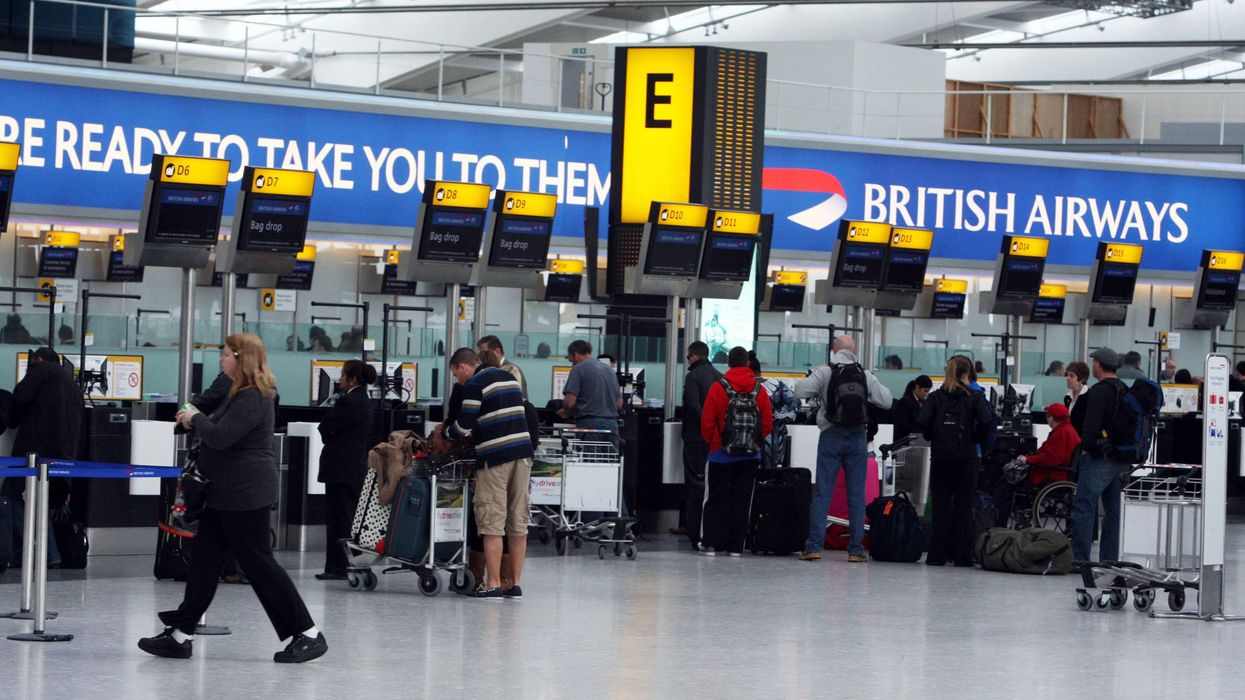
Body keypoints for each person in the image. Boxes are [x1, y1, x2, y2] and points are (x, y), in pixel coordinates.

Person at [139, 333, 327, 663]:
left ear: (242, 358)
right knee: (204, 563)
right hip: (224, 493)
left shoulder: (254, 396)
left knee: (259, 564)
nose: (221, 360)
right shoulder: (237, 393)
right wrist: (194, 420)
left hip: (245, 493)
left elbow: (221, 437)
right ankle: (180, 635)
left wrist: (194, 418)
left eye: (225, 354)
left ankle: (308, 633)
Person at [441, 348, 532, 600]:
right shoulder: (509, 378)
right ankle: (514, 583)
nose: (458, 380)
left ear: (462, 367)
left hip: (496, 457)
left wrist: (448, 434)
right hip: (523, 456)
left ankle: (492, 584)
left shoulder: (475, 383)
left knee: (491, 521)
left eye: (455, 374)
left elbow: (464, 424)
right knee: (517, 521)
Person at [795, 335, 893, 563]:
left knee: (822, 493)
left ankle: (814, 547)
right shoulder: (864, 374)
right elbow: (887, 401)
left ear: (834, 350)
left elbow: (799, 392)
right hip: (858, 436)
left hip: (831, 434)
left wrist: (815, 376)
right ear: (854, 350)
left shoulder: (826, 372)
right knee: (857, 495)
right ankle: (856, 550)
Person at [3, 347, 83, 566]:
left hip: (36, 450)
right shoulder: (71, 383)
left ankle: (28, 550)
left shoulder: (40, 370)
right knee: (42, 501)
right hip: (63, 454)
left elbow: (20, 399)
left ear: (37, 359)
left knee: (10, 495)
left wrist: (11, 420)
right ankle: (50, 554)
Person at [917, 356, 996, 567]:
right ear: (967, 372)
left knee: (940, 507)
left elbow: (922, 420)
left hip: (941, 457)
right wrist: (977, 438)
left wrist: (933, 435)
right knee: (964, 505)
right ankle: (962, 556)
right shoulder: (975, 396)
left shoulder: (936, 397)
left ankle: (936, 555)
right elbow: (988, 420)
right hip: (966, 458)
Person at [699, 346, 772, 556]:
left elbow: (707, 422)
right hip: (750, 455)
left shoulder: (718, 387)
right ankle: (736, 546)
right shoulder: (760, 390)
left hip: (720, 454)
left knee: (714, 497)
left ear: (728, 363)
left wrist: (714, 442)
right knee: (742, 499)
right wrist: (754, 442)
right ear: (748, 363)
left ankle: (711, 543)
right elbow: (766, 423)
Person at [315, 360, 377, 581]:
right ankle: (347, 563)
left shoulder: (348, 402)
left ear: (351, 379)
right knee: (348, 517)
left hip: (340, 467)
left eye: (342, 375)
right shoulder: (364, 401)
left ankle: (338, 566)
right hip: (353, 466)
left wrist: (330, 434)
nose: (339, 379)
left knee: (338, 519)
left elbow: (325, 426)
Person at [1069, 347, 1131, 564]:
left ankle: (1080, 559)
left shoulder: (1099, 391)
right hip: (1122, 458)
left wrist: (1088, 448)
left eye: (1094, 361)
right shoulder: (1125, 389)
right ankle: (1108, 560)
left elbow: (1091, 427)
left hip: (1099, 459)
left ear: (1098, 365)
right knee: (1113, 511)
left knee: (1084, 506)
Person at [994, 403, 1081, 526]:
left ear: (1052, 418)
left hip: (1051, 477)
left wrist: (1028, 459)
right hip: (1059, 475)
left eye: (1048, 415)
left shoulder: (1061, 433)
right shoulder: (1067, 430)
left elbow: (1051, 458)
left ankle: (1000, 523)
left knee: (1007, 482)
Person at [557, 340, 622, 449]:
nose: (571, 362)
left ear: (576, 355)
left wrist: (566, 412)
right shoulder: (609, 370)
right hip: (612, 425)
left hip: (589, 425)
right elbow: (619, 403)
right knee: (611, 463)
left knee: (589, 463)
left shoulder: (578, 369)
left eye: (570, 359)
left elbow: (569, 403)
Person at [477, 335, 527, 400]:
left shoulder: (512, 370)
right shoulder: (484, 370)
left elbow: (518, 398)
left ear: (497, 351)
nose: (481, 356)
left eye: (484, 353)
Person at [891, 375, 932, 439]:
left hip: (918, 440)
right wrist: (922, 431)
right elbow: (903, 425)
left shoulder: (923, 403)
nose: (926, 394)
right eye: (925, 391)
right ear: (917, 387)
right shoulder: (905, 402)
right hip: (905, 440)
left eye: (928, 391)